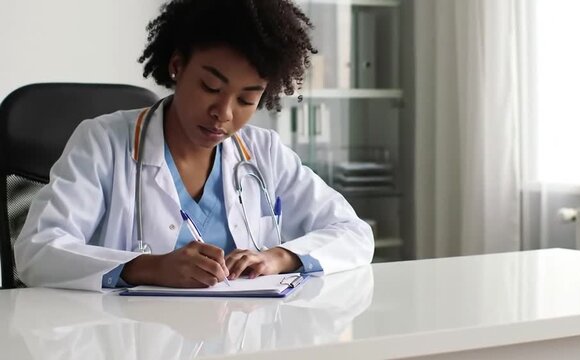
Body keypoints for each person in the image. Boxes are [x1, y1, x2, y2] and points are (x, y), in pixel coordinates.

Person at [14, 0, 374, 291]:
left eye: (247, 100)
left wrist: (280, 257)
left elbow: (353, 233)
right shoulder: (103, 143)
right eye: (210, 88)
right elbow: (37, 250)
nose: (224, 113)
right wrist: (148, 268)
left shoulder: (264, 153)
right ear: (176, 66)